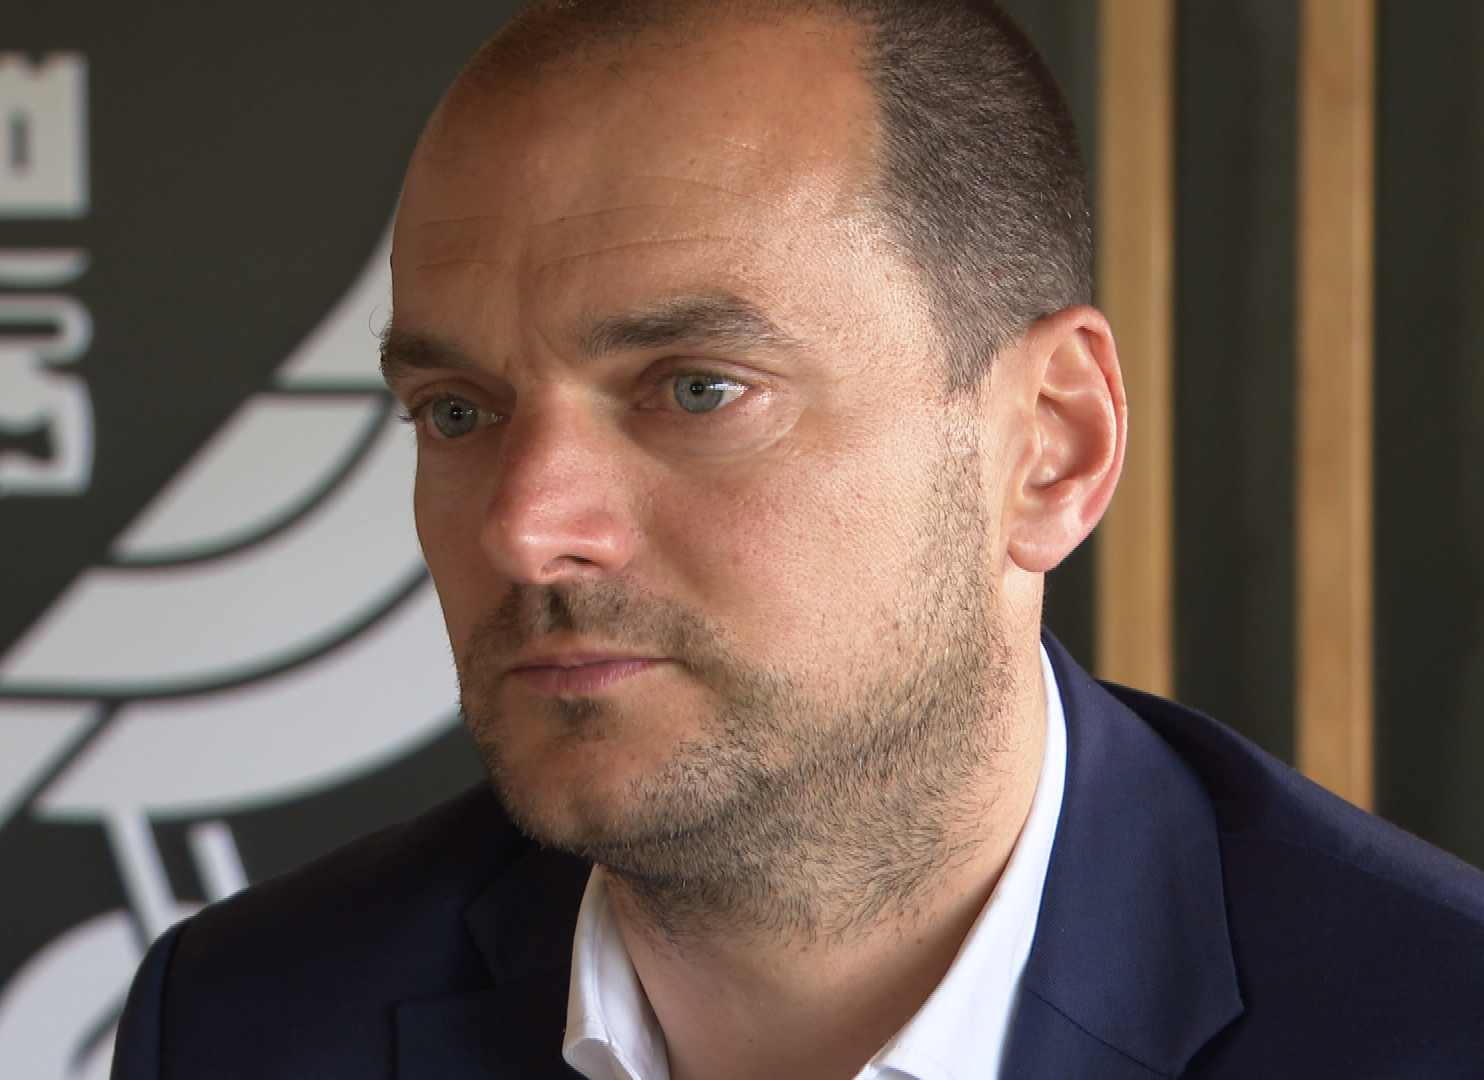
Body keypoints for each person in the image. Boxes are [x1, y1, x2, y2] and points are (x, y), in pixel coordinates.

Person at [112, 1, 1484, 1076]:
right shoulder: (251, 1023)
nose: (526, 529)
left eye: (698, 390)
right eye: (458, 411)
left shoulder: (1435, 1024)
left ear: (1050, 444)